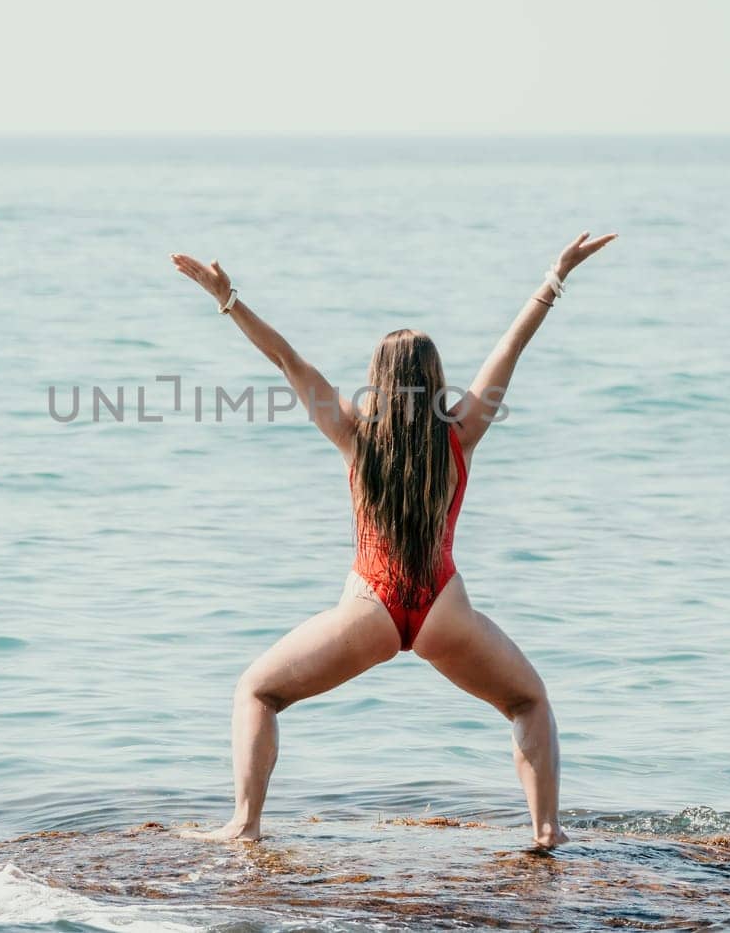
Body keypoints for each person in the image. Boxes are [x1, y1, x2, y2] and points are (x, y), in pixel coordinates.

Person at [169, 230, 616, 849]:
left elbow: (287, 362)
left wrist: (228, 299)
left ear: (376, 381)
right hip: (444, 609)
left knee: (257, 691)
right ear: (435, 380)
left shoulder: (353, 435)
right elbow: (510, 348)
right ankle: (546, 832)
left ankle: (245, 825)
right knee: (528, 702)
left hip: (368, 608)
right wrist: (554, 277)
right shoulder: (461, 433)